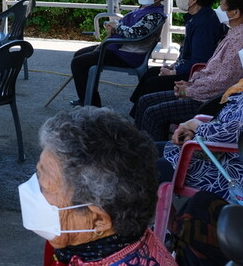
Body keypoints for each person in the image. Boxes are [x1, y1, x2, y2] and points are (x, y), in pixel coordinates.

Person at [157, 18, 243, 206]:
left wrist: (194, 125)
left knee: (138, 166)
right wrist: (195, 127)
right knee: (140, 150)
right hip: (216, 154)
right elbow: (232, 130)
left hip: (224, 172)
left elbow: (227, 136)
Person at [19, 107, 175, 266]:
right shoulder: (79, 243)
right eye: (38, 172)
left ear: (99, 220)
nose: (33, 189)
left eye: (45, 187)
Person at [135, 0, 243, 141]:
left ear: (235, 13)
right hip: (201, 91)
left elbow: (221, 83)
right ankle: (138, 148)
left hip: (208, 102)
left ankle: (151, 156)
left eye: (222, 4)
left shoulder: (240, 41)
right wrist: (190, 83)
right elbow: (213, 70)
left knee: (153, 113)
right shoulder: (235, 33)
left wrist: (187, 90)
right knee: (145, 101)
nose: (218, 8)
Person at [70, 0, 170, 107]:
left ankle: (92, 104)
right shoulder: (144, 9)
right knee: (80, 55)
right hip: (118, 48)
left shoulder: (154, 15)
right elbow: (127, 26)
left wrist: (117, 27)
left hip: (127, 55)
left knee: (79, 63)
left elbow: (134, 33)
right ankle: (86, 97)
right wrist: (114, 26)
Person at [130, 0, 224, 115]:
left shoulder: (205, 23)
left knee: (154, 83)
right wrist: (173, 66)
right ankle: (136, 115)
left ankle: (140, 121)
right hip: (187, 69)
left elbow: (199, 60)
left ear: (193, 0)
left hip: (194, 77)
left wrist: (175, 71)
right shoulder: (197, 18)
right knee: (151, 73)